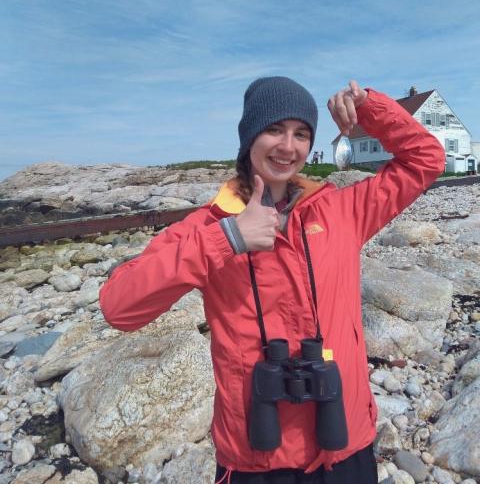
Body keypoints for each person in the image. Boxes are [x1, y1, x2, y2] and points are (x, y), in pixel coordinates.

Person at [99, 77, 444, 484]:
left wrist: (369, 109)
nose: (288, 146)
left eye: (301, 134)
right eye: (274, 129)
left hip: (343, 441)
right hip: (257, 455)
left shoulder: (341, 212)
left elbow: (425, 159)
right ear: (249, 138)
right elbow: (118, 307)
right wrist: (226, 239)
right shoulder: (209, 226)